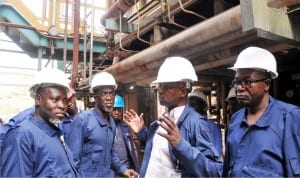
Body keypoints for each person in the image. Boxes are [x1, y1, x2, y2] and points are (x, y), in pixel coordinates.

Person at [124, 56, 223, 177]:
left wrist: (181, 145)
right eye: (160, 86)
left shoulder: (197, 124)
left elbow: (215, 171)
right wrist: (142, 132)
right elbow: (160, 151)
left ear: (183, 91)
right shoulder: (160, 122)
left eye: (167, 87)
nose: (160, 90)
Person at [223, 46, 300, 177]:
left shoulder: (289, 117)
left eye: (247, 81)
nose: (239, 88)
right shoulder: (236, 120)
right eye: (237, 81)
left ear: (267, 84)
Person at [0, 69, 78, 177]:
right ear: (38, 99)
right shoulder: (22, 137)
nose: (62, 106)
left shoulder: (55, 134)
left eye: (65, 101)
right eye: (55, 99)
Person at [66, 72, 138, 177]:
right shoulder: (83, 121)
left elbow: (110, 153)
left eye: (112, 93)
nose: (109, 98)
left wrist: (123, 170)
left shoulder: (111, 123)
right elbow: (72, 161)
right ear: (95, 96)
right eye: (104, 93)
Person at [188, 90, 222, 155]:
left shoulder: (213, 128)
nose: (191, 109)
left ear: (204, 107)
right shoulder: (185, 126)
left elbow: (217, 152)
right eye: (189, 105)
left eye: (194, 105)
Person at [112, 95, 140, 174]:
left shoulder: (125, 126)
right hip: (111, 170)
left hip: (126, 168)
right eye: (114, 109)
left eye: (119, 109)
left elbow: (131, 148)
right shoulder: (104, 127)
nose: (117, 112)